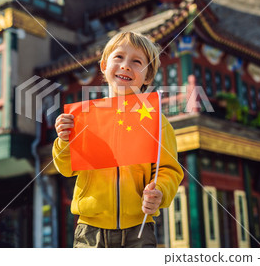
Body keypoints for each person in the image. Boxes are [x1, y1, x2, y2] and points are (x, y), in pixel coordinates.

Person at [53, 31, 184, 248]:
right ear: (104, 65)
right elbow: (66, 167)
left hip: (139, 229)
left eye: (136, 61)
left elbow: (169, 170)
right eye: (118, 57)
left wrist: (159, 191)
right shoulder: (84, 117)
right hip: (89, 231)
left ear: (148, 77)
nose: (125, 66)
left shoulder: (157, 121)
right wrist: (64, 140)